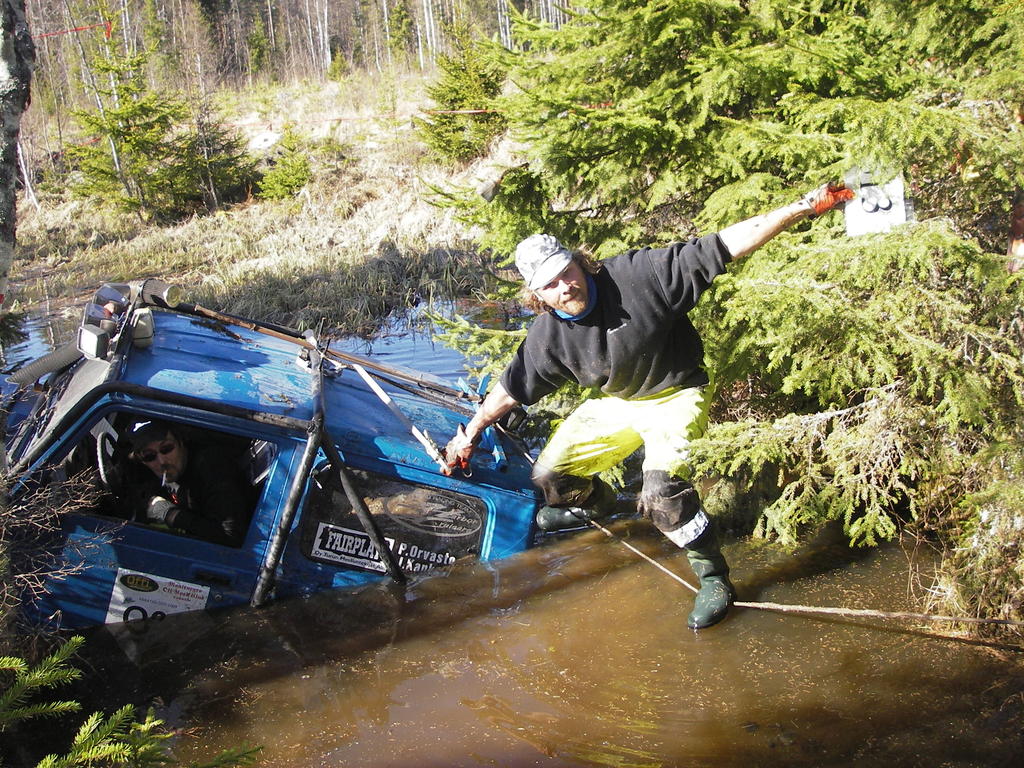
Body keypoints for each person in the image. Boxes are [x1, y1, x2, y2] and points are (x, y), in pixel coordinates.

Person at [444, 183, 854, 629]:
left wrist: (799, 208)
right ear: (537, 295)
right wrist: (469, 434)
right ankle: (598, 502)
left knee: (660, 496)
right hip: (620, 401)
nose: (565, 286)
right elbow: (509, 388)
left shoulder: (640, 276)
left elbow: (723, 245)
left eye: (567, 272)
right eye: (550, 284)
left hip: (678, 392)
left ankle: (714, 575)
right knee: (549, 476)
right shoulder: (548, 337)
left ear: (580, 262)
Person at [126, 419, 253, 547]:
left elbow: (231, 537)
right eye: (149, 456)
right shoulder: (166, 470)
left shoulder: (212, 467)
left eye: (166, 448)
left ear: (181, 441)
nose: (161, 461)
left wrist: (171, 514)